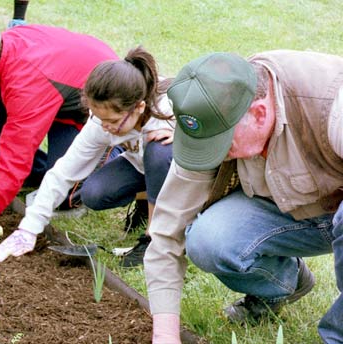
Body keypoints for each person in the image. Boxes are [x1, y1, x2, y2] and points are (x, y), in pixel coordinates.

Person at [143, 51, 343, 343]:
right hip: (296, 216)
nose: (212, 153)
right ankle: (286, 283)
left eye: (221, 143)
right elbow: (165, 237)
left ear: (259, 114)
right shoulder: (209, 119)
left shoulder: (331, 104)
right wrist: (164, 335)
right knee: (208, 240)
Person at [0, 11, 119, 260]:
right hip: (61, 92)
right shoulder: (0, 49)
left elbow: (12, 164)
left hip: (95, 108)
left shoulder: (26, 84)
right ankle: (37, 171)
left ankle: (118, 155)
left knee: (65, 196)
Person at [0, 46, 175, 267]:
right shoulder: (102, 123)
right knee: (93, 194)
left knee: (158, 151)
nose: (105, 127)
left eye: (113, 122)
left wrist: (182, 136)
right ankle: (149, 203)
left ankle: (155, 240)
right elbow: (63, 172)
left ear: (139, 107)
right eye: (101, 119)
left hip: (183, 172)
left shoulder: (171, 107)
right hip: (142, 166)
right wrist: (29, 229)